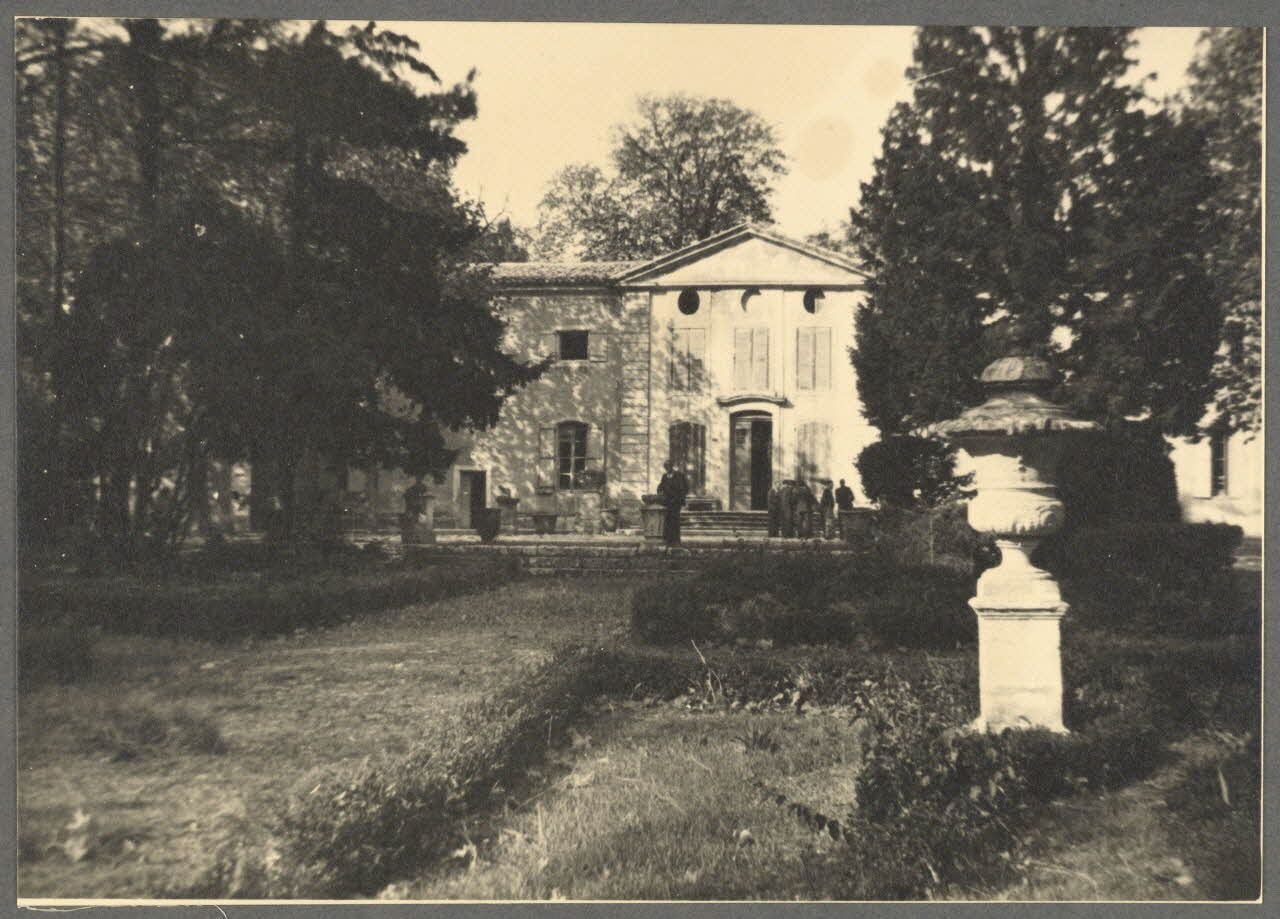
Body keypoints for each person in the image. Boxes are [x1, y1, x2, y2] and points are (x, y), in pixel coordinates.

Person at [657, 461, 689, 545]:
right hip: (667, 502)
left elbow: (685, 488)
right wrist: (659, 491)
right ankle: (668, 540)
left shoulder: (679, 476)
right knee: (667, 521)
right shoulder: (664, 476)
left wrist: (679, 498)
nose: (667, 469)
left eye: (669, 467)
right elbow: (661, 486)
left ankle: (676, 540)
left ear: (672, 467)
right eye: (666, 467)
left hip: (676, 502)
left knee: (675, 521)